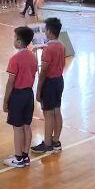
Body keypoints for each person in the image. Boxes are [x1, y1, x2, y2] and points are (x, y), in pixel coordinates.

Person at [3, 26, 38, 168]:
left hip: (17, 95)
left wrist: (6, 101)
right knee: (26, 126)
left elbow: (10, 82)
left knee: (17, 127)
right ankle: (25, 155)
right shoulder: (33, 57)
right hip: (29, 94)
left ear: (19, 41)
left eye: (14, 37)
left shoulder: (15, 59)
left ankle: (18, 158)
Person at [31, 18, 65, 154]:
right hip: (59, 81)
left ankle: (47, 143)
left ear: (49, 31)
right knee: (57, 111)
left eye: (45, 29)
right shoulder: (61, 46)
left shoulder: (48, 49)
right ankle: (56, 141)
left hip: (49, 83)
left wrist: (38, 90)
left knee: (48, 114)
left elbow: (44, 71)